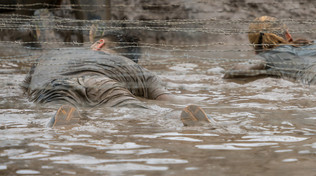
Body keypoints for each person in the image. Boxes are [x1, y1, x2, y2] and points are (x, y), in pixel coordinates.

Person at [21, 30, 211, 127]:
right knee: (146, 112)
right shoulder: (129, 66)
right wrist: (209, 101)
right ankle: (184, 120)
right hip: (103, 86)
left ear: (99, 44)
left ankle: (59, 122)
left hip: (52, 86)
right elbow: (169, 100)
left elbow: (23, 91)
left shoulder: (53, 54)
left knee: (52, 108)